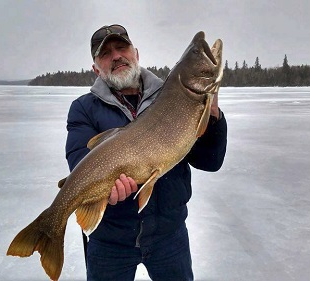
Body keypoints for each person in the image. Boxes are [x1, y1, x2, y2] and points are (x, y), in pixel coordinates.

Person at [64, 24, 227, 281]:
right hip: (109, 243)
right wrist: (104, 186)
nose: (116, 56)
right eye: (105, 53)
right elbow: (79, 163)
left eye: (121, 47)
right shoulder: (84, 109)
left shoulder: (171, 96)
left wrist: (213, 114)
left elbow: (210, 161)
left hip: (169, 236)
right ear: (96, 69)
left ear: (135, 53)